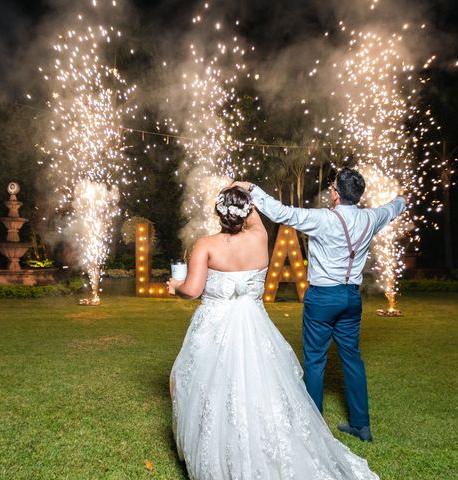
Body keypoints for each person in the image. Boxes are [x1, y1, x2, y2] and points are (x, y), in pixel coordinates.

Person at [167, 185, 379, 480]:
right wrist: (244, 189)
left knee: (206, 386)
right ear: (247, 211)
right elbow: (253, 218)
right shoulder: (260, 238)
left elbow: (191, 291)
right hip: (255, 324)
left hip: (215, 326)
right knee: (259, 386)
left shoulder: (205, 245)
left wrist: (175, 287)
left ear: (218, 212)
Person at [233, 168, 406, 443]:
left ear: (336, 194)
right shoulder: (371, 218)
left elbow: (281, 213)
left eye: (333, 187)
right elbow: (394, 207)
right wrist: (401, 198)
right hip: (351, 298)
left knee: (315, 361)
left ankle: (313, 429)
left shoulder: (323, 219)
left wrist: (252, 188)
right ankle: (362, 426)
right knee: (352, 359)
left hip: (323, 298)